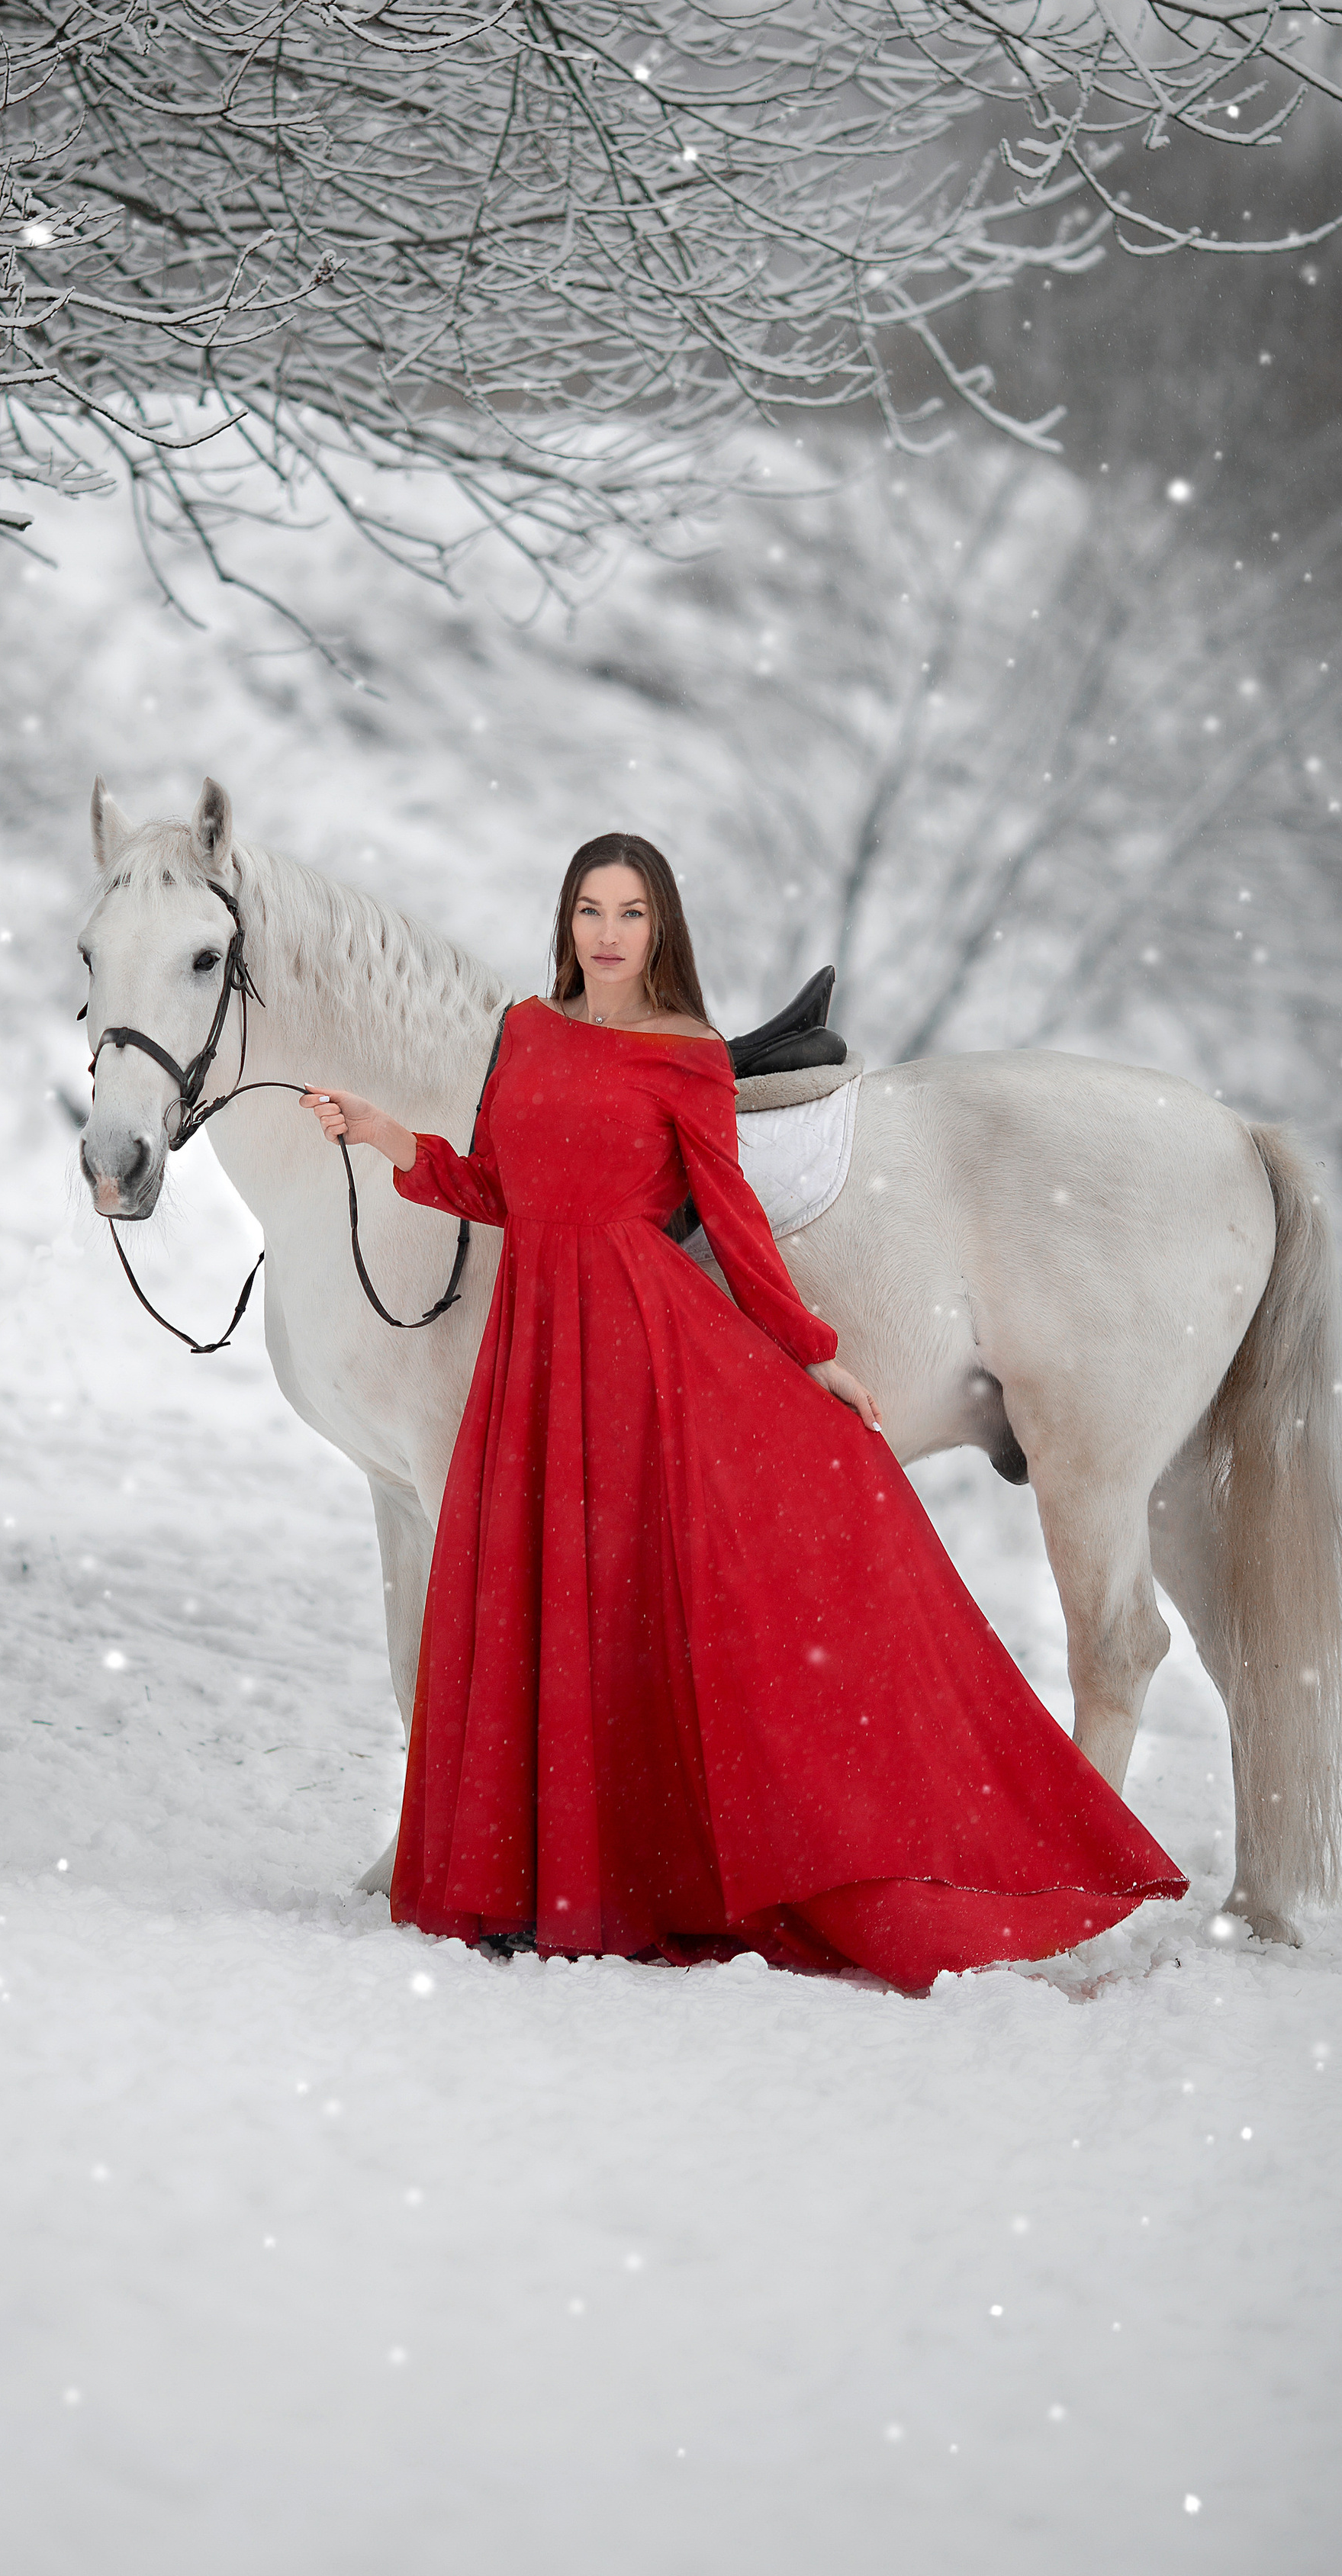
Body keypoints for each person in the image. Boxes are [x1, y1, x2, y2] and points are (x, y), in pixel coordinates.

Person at [302, 833, 1185, 1988]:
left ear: (659, 928)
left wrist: (812, 1356)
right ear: (565, 924)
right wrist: (388, 1142)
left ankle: (637, 1885)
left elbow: (733, 1223)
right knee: (542, 1598)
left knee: (622, 1606)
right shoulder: (524, 1031)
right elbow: (499, 1190)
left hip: (637, 1343)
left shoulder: (687, 1059)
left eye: (629, 913)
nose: (607, 934)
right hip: (533, 1349)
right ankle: (527, 1884)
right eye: (588, 911)